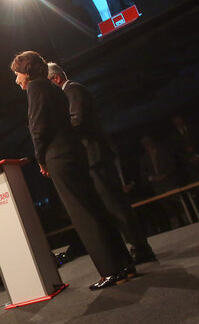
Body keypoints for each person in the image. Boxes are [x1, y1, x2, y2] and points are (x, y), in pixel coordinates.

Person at [11, 51, 132, 290]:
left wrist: (40, 160)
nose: (16, 80)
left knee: (83, 214)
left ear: (26, 71)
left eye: (17, 74)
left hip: (59, 156)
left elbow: (38, 128)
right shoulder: (53, 87)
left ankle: (110, 270)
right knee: (95, 208)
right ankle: (124, 264)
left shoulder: (35, 88)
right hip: (74, 152)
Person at [47, 63, 156, 264]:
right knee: (111, 205)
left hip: (96, 155)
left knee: (116, 205)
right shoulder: (72, 91)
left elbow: (77, 121)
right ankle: (135, 247)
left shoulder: (73, 90)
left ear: (55, 79)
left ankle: (141, 248)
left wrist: (60, 136)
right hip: (92, 156)